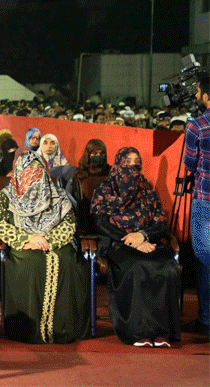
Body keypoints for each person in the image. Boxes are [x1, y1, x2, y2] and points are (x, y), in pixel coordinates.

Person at [0, 151, 88, 343]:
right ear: (19, 171)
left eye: (38, 169)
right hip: (24, 243)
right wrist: (25, 239)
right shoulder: (8, 195)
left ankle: (64, 329)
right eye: (29, 170)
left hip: (54, 241)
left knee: (68, 261)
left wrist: (49, 240)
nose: (35, 173)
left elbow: (69, 224)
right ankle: (29, 330)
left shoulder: (58, 195)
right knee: (32, 263)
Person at [90, 147, 181, 346]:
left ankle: (161, 332)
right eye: (128, 160)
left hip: (147, 241)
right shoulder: (105, 189)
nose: (132, 165)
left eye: (136, 160)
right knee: (139, 267)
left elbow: (159, 223)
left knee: (167, 267)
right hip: (118, 243)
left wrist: (142, 235)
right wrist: (129, 238)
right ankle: (139, 332)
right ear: (119, 162)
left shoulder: (147, 190)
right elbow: (100, 223)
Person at [182, 74, 210, 335]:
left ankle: (206, 319)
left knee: (205, 259)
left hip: (205, 200)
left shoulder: (197, 126)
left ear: (206, 96)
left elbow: (189, 164)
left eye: (199, 91)